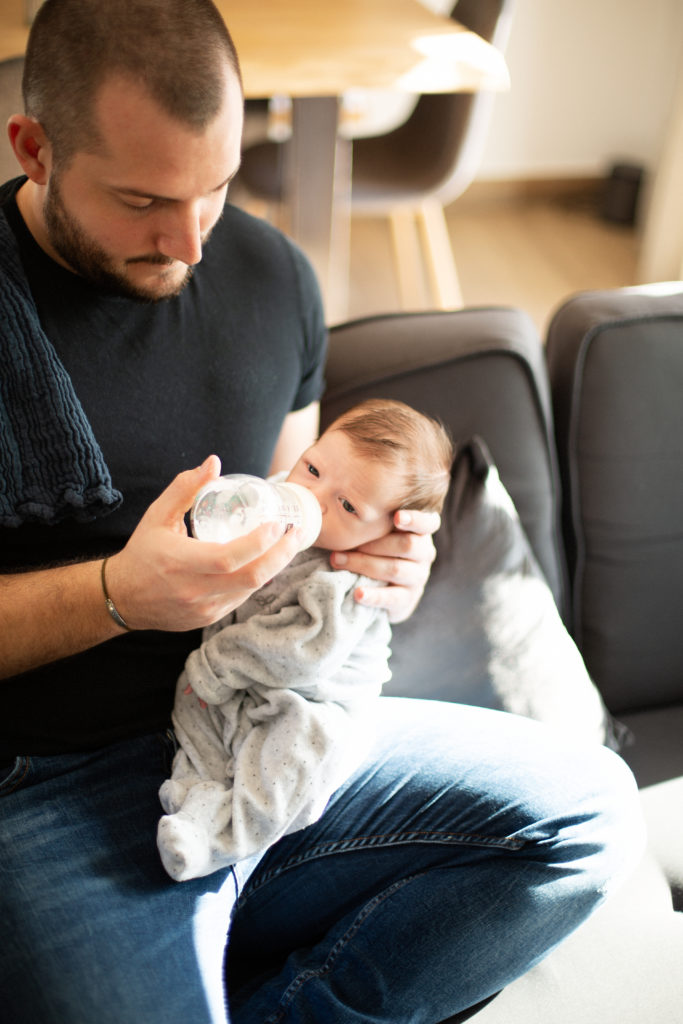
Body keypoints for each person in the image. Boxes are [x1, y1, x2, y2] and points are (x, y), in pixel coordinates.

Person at [0, 2, 644, 1023]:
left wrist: (374, 553)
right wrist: (117, 595)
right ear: (31, 148)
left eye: (212, 188)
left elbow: (290, 504)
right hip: (53, 785)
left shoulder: (270, 277)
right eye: (141, 200)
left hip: (272, 729)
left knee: (589, 815)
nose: (189, 239)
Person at [157, 399, 454, 882]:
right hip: (236, 677)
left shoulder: (346, 578)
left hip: (313, 697)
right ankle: (192, 806)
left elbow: (300, 652)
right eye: (313, 467)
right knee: (199, 722)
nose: (313, 498)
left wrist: (217, 664)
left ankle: (224, 838)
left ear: (386, 536)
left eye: (349, 506)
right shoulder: (276, 498)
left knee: (300, 755)